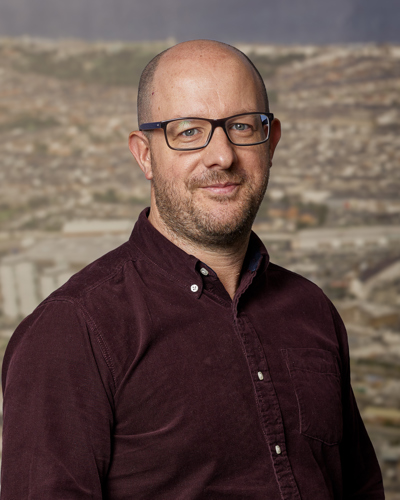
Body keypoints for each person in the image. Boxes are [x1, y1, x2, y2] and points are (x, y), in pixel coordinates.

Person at [1, 40, 384, 499]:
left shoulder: (312, 309)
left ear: (272, 141)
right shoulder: (71, 331)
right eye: (188, 131)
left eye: (241, 126)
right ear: (144, 154)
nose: (222, 155)